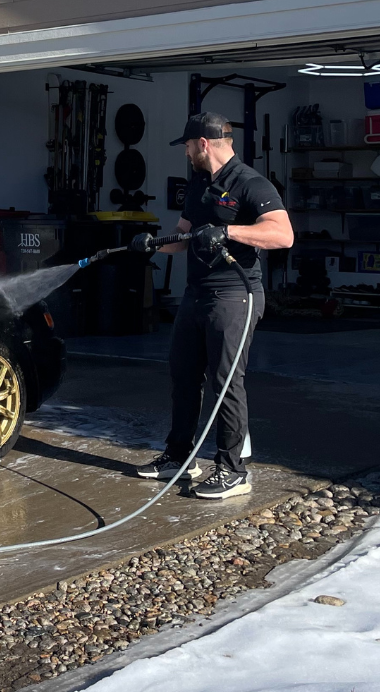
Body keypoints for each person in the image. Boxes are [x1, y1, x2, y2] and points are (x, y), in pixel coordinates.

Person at [129, 112, 294, 499]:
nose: (185, 152)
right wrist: (152, 243)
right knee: (184, 376)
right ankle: (179, 457)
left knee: (226, 383)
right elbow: (184, 236)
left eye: (187, 145)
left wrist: (228, 231)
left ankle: (233, 470)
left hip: (235, 295)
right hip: (196, 295)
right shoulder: (200, 183)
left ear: (203, 144)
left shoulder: (251, 183)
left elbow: (283, 234)